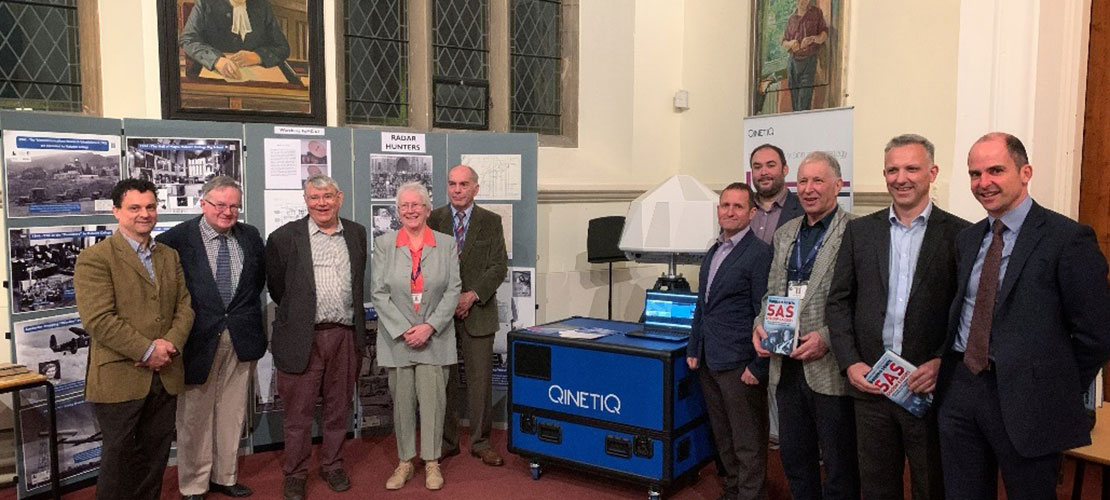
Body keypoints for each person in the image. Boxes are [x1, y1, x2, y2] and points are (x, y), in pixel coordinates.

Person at [937, 132, 1110, 499]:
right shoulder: (967, 240)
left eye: (995, 170)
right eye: (974, 174)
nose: (983, 183)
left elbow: (1097, 333)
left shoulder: (1068, 239)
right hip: (961, 391)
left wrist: (1053, 386)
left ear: (1025, 171)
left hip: (1030, 402)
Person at [826, 134, 969, 500]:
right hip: (871, 386)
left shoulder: (961, 235)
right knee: (876, 485)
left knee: (930, 483)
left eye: (911, 168)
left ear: (932, 172)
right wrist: (850, 362)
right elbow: (838, 301)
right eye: (892, 170)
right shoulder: (860, 232)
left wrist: (942, 361)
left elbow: (964, 309)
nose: (901, 178)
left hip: (927, 387)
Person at [74, 178, 194, 500]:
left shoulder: (169, 256)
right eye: (135, 208)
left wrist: (168, 344)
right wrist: (147, 349)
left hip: (165, 373)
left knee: (154, 460)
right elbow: (98, 319)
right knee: (119, 462)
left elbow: (185, 307)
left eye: (150, 207)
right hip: (120, 376)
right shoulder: (96, 258)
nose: (144, 214)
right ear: (116, 211)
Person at [752, 151, 859, 500]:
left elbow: (863, 303)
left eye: (818, 181)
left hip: (829, 369)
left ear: (838, 185)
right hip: (786, 367)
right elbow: (771, 291)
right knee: (795, 460)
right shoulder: (785, 233)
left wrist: (827, 338)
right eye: (803, 181)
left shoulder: (857, 232)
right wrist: (760, 324)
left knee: (839, 465)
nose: (809, 189)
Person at [157, 176, 267, 500]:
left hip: (241, 337)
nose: (227, 212)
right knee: (194, 417)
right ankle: (193, 485)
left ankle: (225, 476)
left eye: (234, 205)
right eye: (220, 204)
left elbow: (255, 283)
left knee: (232, 413)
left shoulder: (250, 236)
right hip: (195, 341)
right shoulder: (175, 240)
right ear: (203, 204)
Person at [266, 174, 367, 500]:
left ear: (339, 198)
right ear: (305, 201)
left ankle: (333, 465)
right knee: (298, 414)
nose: (321, 203)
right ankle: (295, 473)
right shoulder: (283, 237)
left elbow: (357, 281)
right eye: (314, 198)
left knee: (339, 409)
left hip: (344, 335)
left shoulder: (356, 233)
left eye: (327, 197)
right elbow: (278, 289)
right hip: (302, 337)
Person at [372, 182, 462, 490]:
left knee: (434, 401)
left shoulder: (446, 243)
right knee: (403, 402)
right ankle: (405, 462)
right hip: (398, 338)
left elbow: (453, 290)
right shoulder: (384, 244)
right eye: (404, 206)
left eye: (416, 205)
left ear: (427, 209)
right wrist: (405, 329)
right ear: (398, 211)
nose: (410, 211)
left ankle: (432, 462)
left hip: (434, 337)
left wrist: (429, 327)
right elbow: (379, 293)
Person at [686, 182, 772, 500]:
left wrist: (758, 365)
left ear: (751, 213)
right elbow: (702, 305)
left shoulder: (760, 254)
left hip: (740, 364)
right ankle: (732, 489)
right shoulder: (714, 250)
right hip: (710, 359)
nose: (730, 211)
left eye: (738, 206)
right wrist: (695, 347)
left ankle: (752, 495)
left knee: (747, 439)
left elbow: (763, 313)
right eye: (725, 205)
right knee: (723, 436)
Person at [429, 164, 509, 466]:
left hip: (478, 311)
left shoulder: (490, 221)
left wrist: (471, 295)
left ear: (476, 188)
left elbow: (498, 266)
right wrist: (450, 300)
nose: (457, 190)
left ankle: (481, 442)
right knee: (444, 381)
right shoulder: (434, 219)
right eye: (452, 184)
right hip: (441, 315)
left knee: (480, 382)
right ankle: (447, 441)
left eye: (464, 184)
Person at [179, 0, 291, 81]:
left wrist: (258, 56)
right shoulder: (205, 3)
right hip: (214, 79)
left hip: (258, 80)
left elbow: (283, 47)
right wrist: (216, 60)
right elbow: (187, 39)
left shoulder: (262, 5)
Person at [749, 143, 805, 244]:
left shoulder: (804, 210)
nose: (763, 172)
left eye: (770, 166)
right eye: (757, 167)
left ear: (785, 170)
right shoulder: (740, 209)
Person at [781, 0, 828, 112]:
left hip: (809, 62)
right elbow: (784, 42)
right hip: (793, 64)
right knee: (795, 103)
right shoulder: (791, 19)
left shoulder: (816, 13)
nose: (802, 1)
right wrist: (791, 44)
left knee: (804, 104)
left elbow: (824, 33)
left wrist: (813, 39)